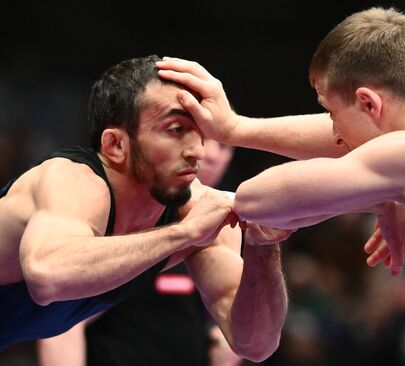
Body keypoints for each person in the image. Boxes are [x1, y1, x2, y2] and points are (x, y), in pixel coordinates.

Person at [155, 7, 405, 328]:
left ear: (368, 102)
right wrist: (235, 128)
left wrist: (383, 193)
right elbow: (378, 147)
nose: (336, 135)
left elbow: (259, 199)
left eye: (331, 113)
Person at [0, 54, 290, 363]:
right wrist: (184, 233)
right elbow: (47, 276)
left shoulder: (197, 211)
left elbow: (254, 343)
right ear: (116, 145)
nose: (198, 151)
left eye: (203, 132)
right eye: (176, 129)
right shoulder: (70, 180)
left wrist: (264, 247)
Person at [36, 139, 241, 366]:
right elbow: (63, 324)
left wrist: (224, 342)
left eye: (223, 146)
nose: (211, 154)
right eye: (203, 140)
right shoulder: (130, 219)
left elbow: (243, 337)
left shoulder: (227, 232)